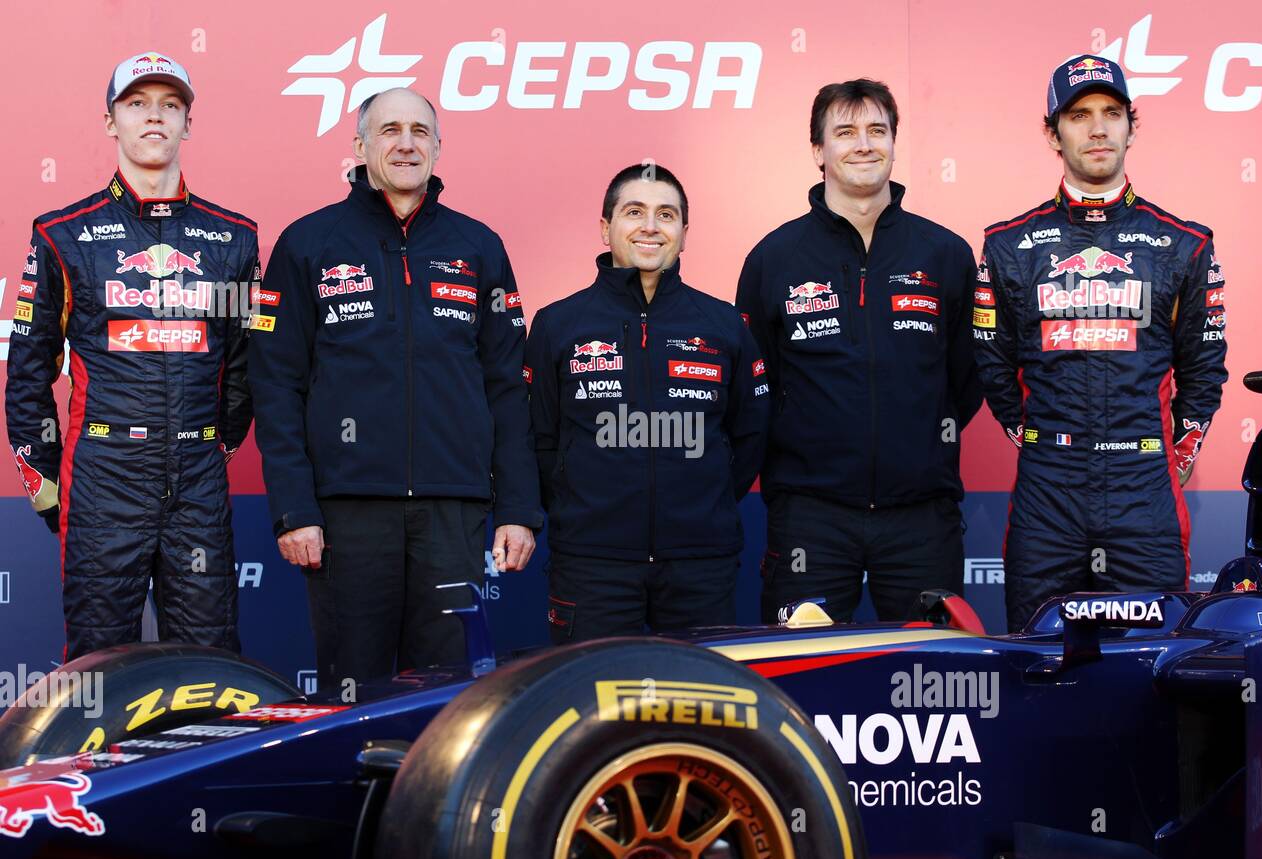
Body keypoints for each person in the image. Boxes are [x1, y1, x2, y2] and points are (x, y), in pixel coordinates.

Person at [250, 88, 541, 689]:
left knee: (443, 695)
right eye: (388, 130)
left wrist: (517, 508)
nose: (405, 143)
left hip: (452, 511)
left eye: (419, 131)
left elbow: (508, 389)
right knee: (350, 695)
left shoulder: (478, 246)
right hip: (345, 513)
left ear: (437, 147)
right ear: (359, 146)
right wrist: (294, 510)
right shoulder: (307, 243)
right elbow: (276, 384)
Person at [4, 51, 257, 659]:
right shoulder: (64, 232)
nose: (154, 117)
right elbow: (28, 367)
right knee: (99, 662)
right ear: (111, 122)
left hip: (196, 478)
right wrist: (42, 472)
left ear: (187, 125)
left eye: (170, 106)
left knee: (209, 657)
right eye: (137, 104)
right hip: (103, 475)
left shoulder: (232, 237)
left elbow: (245, 361)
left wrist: (213, 443)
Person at [973, 55, 1228, 632]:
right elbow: (993, 365)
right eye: (1079, 114)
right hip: (1047, 491)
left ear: (1132, 127)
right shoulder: (1008, 245)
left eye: (1112, 113)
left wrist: (1174, 458)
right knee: (1037, 664)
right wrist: (1040, 440)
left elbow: (1204, 368)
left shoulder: (1182, 243)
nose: (1097, 128)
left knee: (1155, 672)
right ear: (1052, 131)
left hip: (1144, 491)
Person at [736, 79, 983, 624]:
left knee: (932, 682)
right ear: (817, 151)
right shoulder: (774, 258)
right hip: (810, 516)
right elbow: (756, 385)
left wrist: (917, 438)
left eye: (877, 130)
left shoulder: (945, 254)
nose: (863, 144)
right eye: (845, 132)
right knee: (801, 678)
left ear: (895, 142)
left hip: (922, 515)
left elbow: (967, 378)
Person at [525, 164, 769, 642]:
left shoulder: (723, 325)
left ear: (683, 231)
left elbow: (749, 436)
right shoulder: (557, 324)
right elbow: (540, 439)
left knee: (701, 709)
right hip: (592, 564)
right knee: (591, 707)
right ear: (605, 228)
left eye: (666, 215)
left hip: (701, 563)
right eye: (634, 212)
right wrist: (585, 509)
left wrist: (701, 502)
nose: (651, 227)